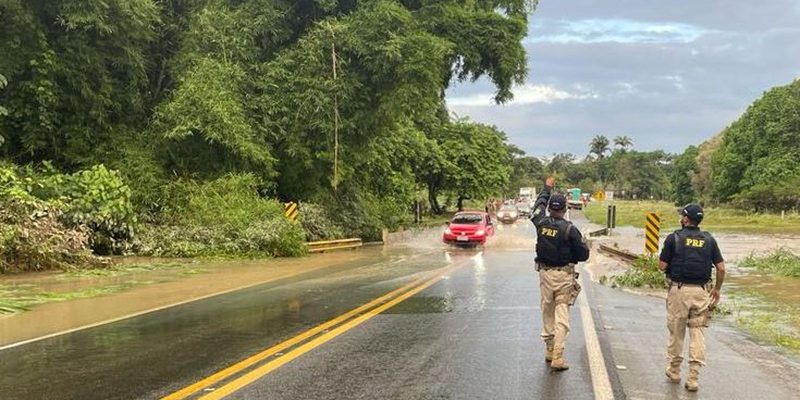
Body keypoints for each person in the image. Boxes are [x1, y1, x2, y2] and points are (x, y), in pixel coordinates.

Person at [658, 203, 726, 392]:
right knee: (698, 333)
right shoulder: (709, 240)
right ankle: (694, 377)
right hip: (702, 292)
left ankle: (674, 370)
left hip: (679, 291)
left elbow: (662, 266)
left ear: (686, 218)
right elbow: (721, 268)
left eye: (682, 215)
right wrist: (717, 289)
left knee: (676, 332)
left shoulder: (674, 238)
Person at [530, 177, 590, 371]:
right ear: (565, 209)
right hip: (564, 277)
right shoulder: (570, 230)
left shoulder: (540, 222)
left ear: (549, 208)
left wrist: (546, 188)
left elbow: (538, 205)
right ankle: (558, 355)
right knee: (561, 314)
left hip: (545, 275)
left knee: (547, 310)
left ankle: (549, 349)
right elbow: (583, 255)